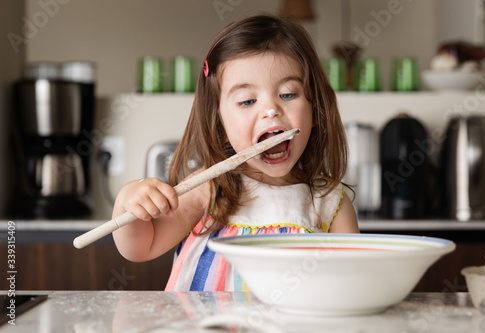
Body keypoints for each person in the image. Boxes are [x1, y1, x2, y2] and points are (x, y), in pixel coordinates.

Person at [112, 14, 359, 292]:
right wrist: (127, 202)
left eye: (288, 94)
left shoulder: (330, 203)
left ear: (316, 110)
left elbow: (350, 284)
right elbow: (140, 248)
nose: (270, 109)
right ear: (220, 120)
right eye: (247, 101)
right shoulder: (209, 189)